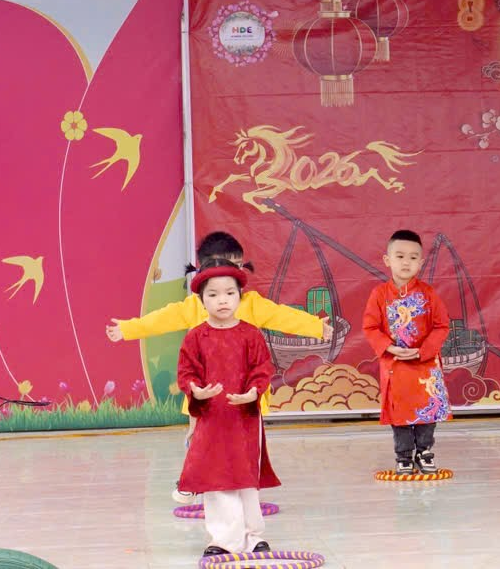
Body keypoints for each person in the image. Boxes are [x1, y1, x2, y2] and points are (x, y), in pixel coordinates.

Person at [105, 231, 330, 502]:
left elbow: (282, 316)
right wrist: (128, 329)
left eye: (237, 267)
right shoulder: (193, 307)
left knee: (244, 443)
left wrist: (316, 326)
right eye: (224, 266)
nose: (230, 275)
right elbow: (161, 320)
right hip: (205, 393)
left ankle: (244, 485)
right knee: (198, 437)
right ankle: (191, 481)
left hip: (242, 394)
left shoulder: (253, 304)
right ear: (204, 271)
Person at [176, 260, 279, 557]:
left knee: (245, 478)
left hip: (243, 419)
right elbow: (186, 371)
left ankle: (253, 536)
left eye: (229, 293)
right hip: (212, 419)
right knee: (217, 477)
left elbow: (262, 368)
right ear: (201, 300)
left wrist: (253, 392)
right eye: (213, 294)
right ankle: (223, 540)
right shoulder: (196, 336)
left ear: (239, 297)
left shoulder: (251, 334)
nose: (222, 300)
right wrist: (196, 389)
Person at [360, 230, 453, 475]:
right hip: (395, 365)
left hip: (425, 364)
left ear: (421, 263)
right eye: (400, 256)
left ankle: (424, 452)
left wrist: (423, 351)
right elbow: (370, 327)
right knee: (399, 411)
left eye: (413, 258)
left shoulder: (428, 293)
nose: (406, 262)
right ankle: (403, 456)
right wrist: (389, 347)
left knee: (428, 408)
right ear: (387, 260)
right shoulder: (379, 294)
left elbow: (441, 326)